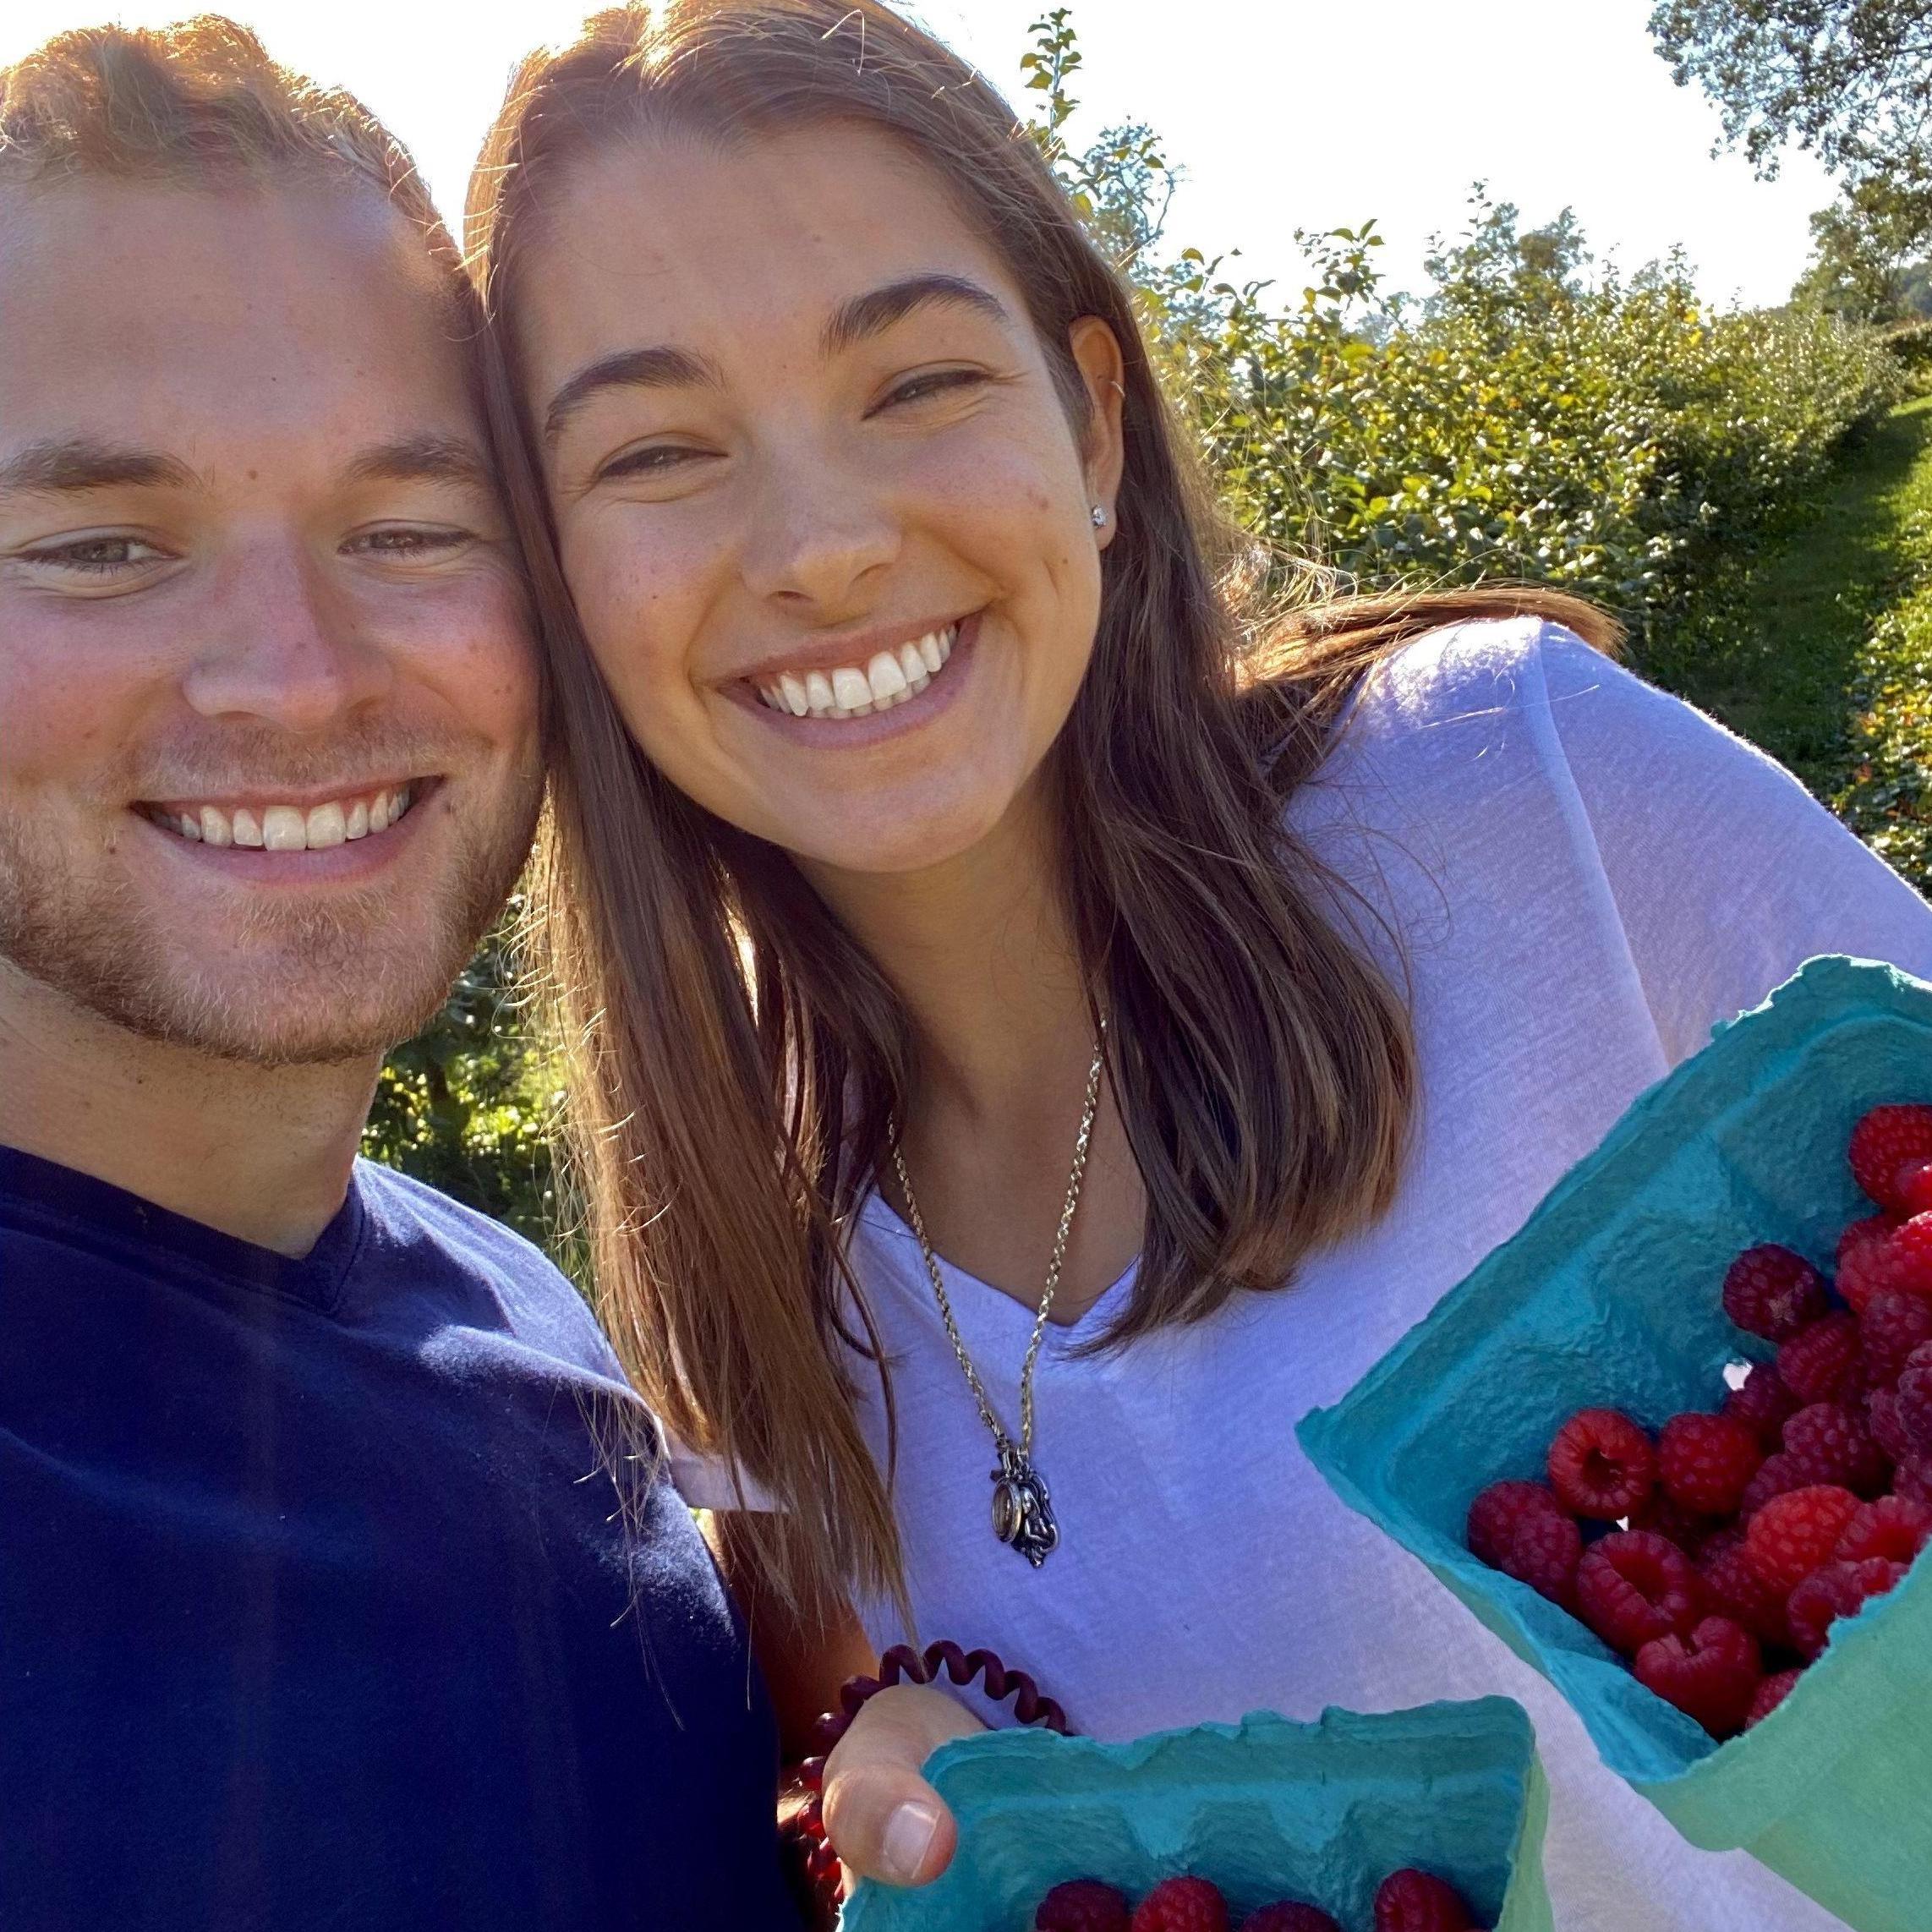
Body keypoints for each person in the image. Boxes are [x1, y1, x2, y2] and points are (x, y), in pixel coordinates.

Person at [466, 3, 1932, 1925]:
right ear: (552, 571)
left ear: (1090, 416)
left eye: (910, 382)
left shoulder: (1521, 793)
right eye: (657, 446)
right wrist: (877, 1774)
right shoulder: (737, 1215)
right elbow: (867, 1743)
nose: (820, 548)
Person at [0, 19, 938, 1925]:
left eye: (412, 528)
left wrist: (829, 1759)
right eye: (103, 545)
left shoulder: (509, 1305)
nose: (302, 671)